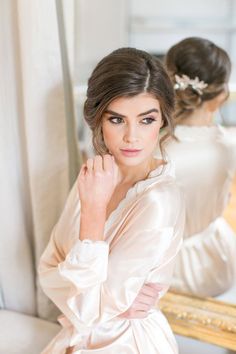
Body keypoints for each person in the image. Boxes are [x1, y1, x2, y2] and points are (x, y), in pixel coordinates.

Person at [38, 47, 185, 354]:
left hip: (128, 343)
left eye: (146, 120)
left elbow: (86, 310)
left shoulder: (159, 202)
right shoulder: (96, 175)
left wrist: (93, 213)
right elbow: (48, 270)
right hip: (75, 337)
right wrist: (103, 300)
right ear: (98, 121)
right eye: (117, 119)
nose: (132, 137)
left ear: (162, 122)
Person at [163, 37, 236, 297]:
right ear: (220, 97)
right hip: (217, 260)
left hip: (162, 270)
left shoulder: (149, 150)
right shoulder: (228, 146)